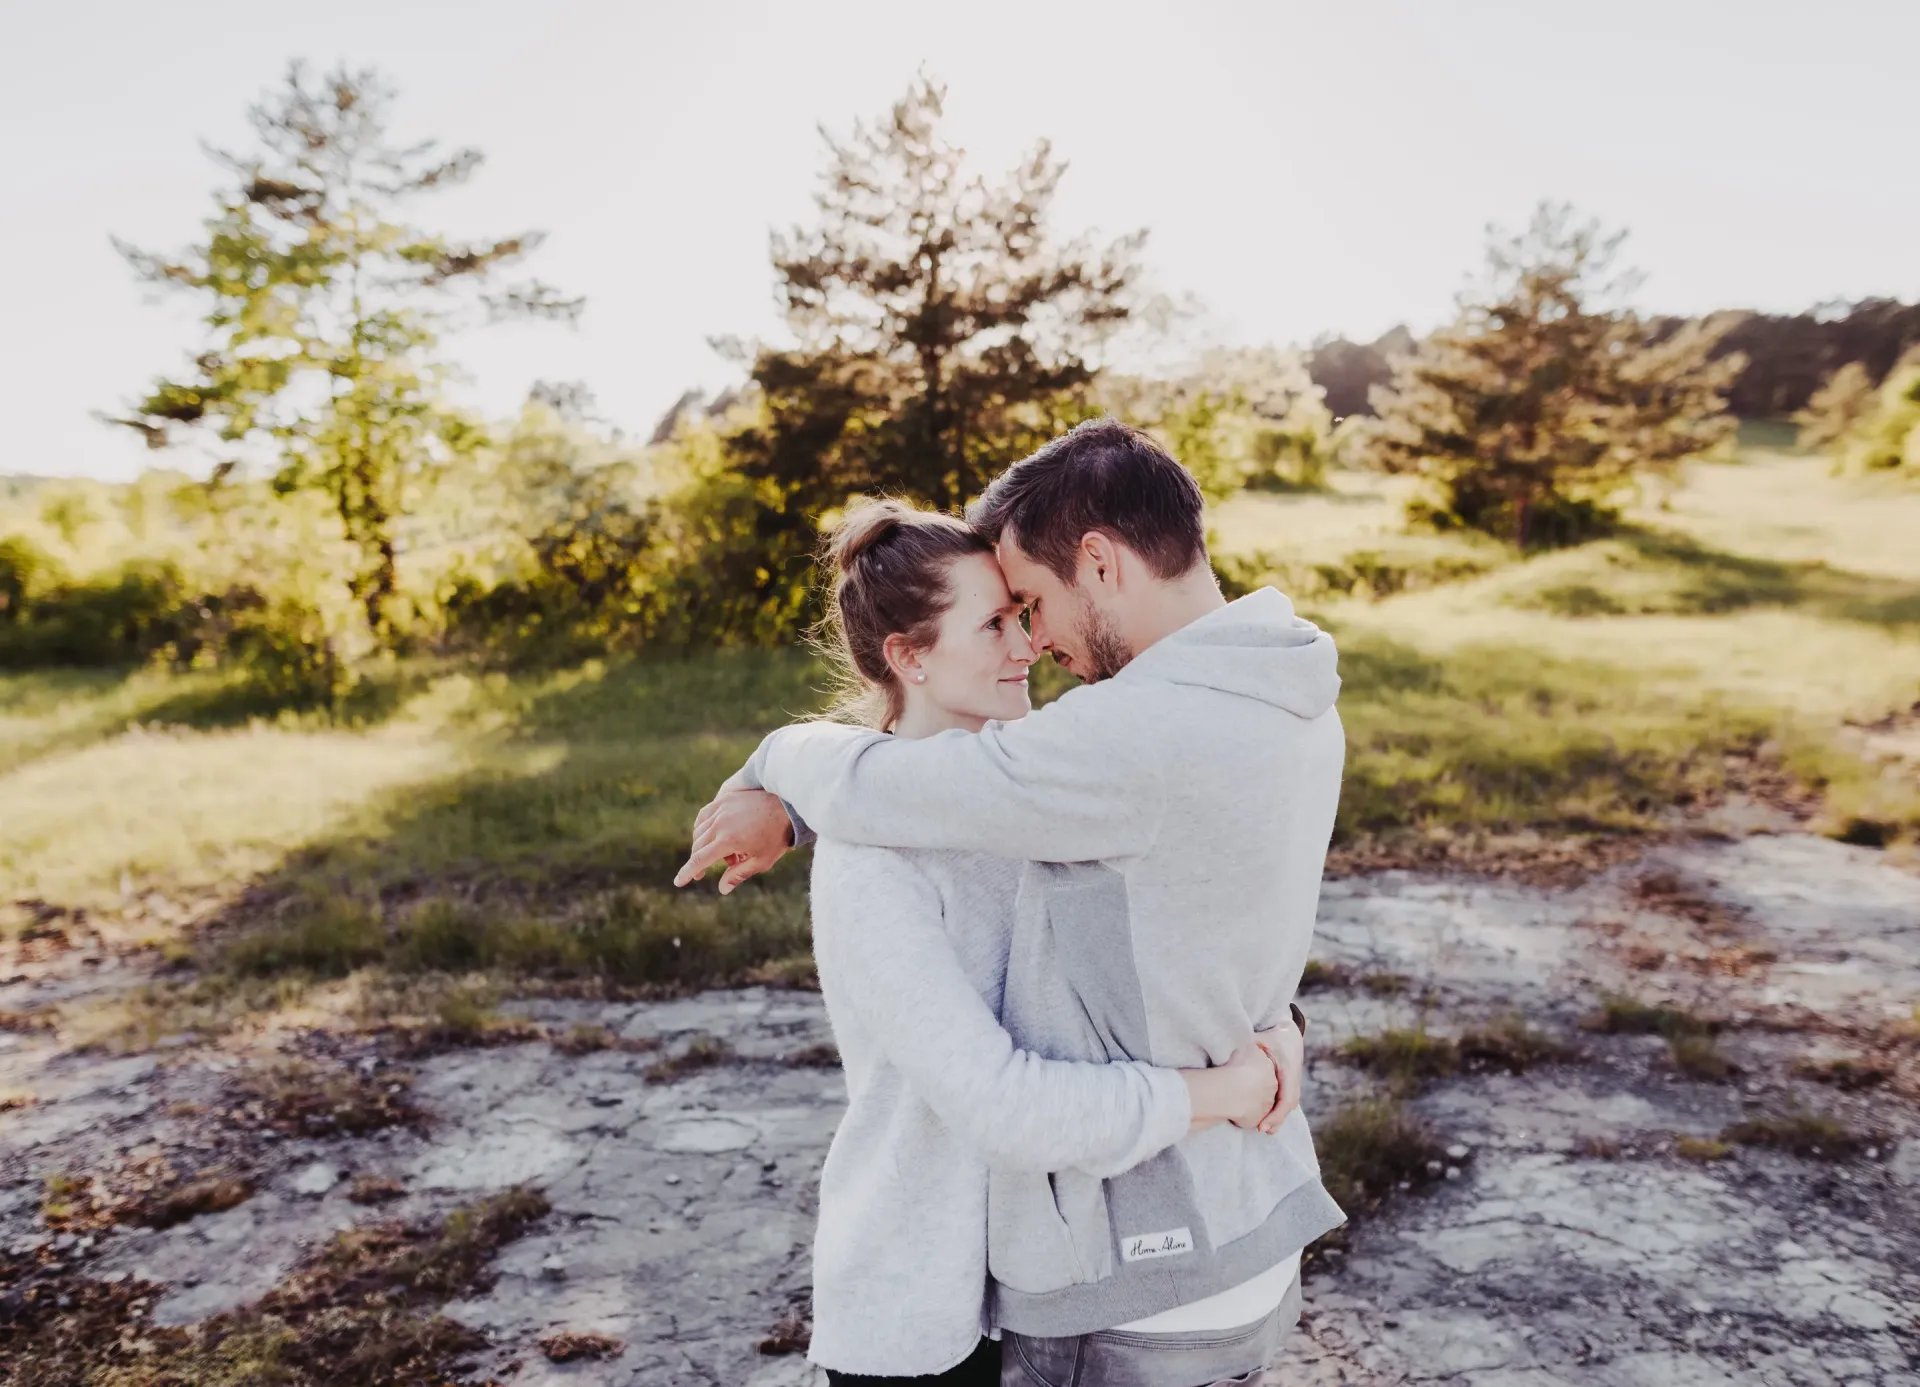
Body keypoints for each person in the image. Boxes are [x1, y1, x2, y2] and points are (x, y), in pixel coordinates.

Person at [680, 418, 1348, 1387]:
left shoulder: (1115, 746)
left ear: (1101, 562)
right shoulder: (1291, 692)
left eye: (1029, 602)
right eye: (1000, 619)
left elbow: (894, 787)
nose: (1035, 642)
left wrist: (778, 766)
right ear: (908, 655)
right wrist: (1275, 1038)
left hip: (1132, 1273)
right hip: (1205, 1240)